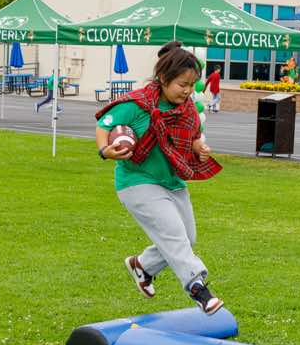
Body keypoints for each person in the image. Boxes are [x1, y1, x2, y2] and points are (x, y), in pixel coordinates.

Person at [95, 41, 224, 315]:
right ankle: (198, 287)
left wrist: (199, 148)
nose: (187, 91)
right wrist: (105, 150)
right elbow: (104, 124)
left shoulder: (187, 109)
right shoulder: (137, 104)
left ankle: (143, 265)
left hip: (172, 181)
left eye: (192, 85)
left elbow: (193, 138)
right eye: (182, 84)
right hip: (137, 181)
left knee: (187, 238)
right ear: (163, 78)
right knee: (174, 235)